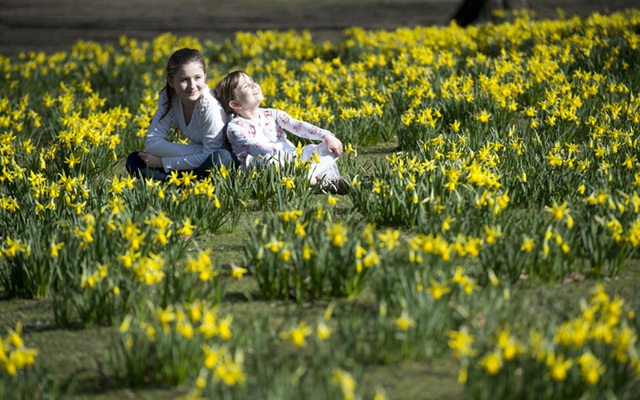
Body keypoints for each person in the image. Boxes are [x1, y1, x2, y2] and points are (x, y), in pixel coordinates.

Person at [213, 70, 348, 194]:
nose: (254, 85)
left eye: (252, 81)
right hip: (269, 165)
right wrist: (283, 157)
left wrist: (326, 136)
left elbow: (298, 126)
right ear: (235, 104)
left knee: (324, 148)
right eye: (246, 86)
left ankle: (305, 180)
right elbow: (257, 147)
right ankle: (319, 182)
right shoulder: (235, 127)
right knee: (271, 161)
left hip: (293, 160)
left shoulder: (272, 114)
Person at [126, 48, 235, 182]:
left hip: (217, 160)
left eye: (197, 78)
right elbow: (152, 143)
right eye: (184, 80)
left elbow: (211, 155)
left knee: (222, 157)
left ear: (205, 76)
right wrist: (197, 150)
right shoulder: (169, 98)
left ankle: (180, 182)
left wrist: (163, 163)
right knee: (134, 160)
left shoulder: (209, 107)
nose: (192, 85)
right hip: (199, 160)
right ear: (171, 81)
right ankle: (187, 182)